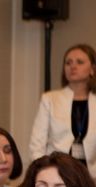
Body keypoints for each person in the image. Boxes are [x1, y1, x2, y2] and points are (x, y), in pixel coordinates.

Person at [29, 43, 96, 177]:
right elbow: (37, 144)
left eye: (79, 62)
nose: (73, 66)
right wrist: (44, 173)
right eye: (68, 63)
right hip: (56, 174)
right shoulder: (50, 99)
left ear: (92, 69)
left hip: (90, 177)